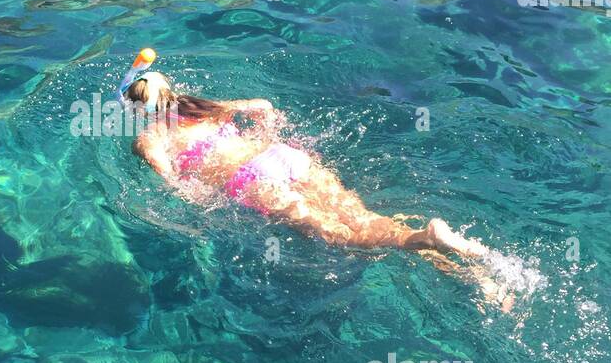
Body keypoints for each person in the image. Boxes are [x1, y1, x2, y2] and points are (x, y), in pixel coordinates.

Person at [118, 52, 518, 309]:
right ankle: (471, 271)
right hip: (286, 157)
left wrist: (201, 204)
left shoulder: (149, 138)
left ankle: (428, 238)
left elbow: (174, 186)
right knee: (364, 219)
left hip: (252, 180)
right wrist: (267, 137)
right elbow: (262, 106)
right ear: (171, 90)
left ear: (137, 110)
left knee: (342, 237)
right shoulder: (206, 109)